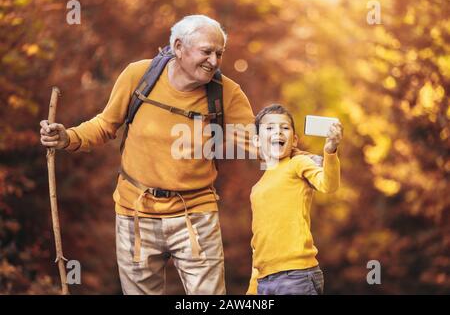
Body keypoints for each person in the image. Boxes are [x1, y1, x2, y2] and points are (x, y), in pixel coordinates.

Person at [39, 15, 256, 295]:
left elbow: (259, 142)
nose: (214, 61)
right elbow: (106, 125)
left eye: (219, 54)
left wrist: (305, 158)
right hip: (135, 213)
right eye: (206, 52)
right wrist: (67, 137)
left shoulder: (227, 93)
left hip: (196, 215)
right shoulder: (138, 75)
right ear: (178, 47)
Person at [246, 104, 343, 295]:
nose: (278, 132)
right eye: (270, 128)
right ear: (257, 140)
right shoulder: (256, 190)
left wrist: (330, 151)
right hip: (264, 281)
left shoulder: (297, 164)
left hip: (297, 276)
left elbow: (328, 185)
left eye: (284, 127)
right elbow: (258, 244)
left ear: (294, 139)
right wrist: (253, 288)